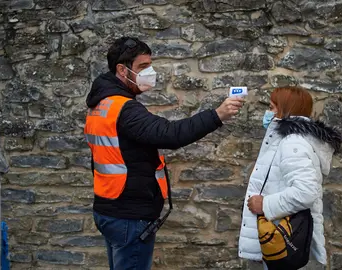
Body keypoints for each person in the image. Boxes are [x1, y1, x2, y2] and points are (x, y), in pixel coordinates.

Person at [84, 36, 244, 270]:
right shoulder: (124, 108)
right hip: (130, 214)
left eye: (150, 65)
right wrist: (217, 115)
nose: (150, 72)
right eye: (142, 67)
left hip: (109, 209)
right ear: (122, 69)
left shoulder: (100, 104)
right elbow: (170, 134)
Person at [238, 86, 342, 269]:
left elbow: (306, 192)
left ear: (284, 109)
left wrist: (265, 204)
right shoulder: (288, 139)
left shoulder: (292, 142)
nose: (267, 113)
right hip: (279, 237)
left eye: (271, 107)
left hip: (284, 238)